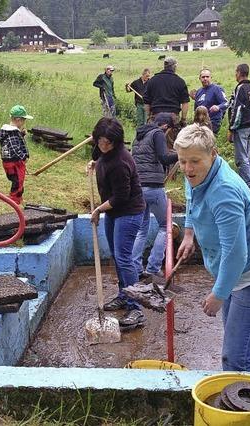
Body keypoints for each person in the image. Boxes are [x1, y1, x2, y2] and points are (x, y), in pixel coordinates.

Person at [174, 124, 250, 372]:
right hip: (240, 276)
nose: (187, 169)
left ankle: (249, 410)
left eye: (194, 161)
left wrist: (219, 294)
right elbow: (192, 199)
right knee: (246, 348)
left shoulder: (224, 192)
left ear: (212, 154)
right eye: (182, 161)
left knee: (236, 359)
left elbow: (236, 254)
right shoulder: (197, 176)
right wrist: (189, 234)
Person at [87, 118, 146, 330]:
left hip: (128, 211)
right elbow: (100, 158)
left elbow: (122, 196)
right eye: (100, 141)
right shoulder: (103, 152)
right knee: (117, 256)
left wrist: (98, 209)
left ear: (116, 142)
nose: (103, 146)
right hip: (113, 212)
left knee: (124, 258)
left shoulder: (121, 161)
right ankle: (124, 294)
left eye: (108, 143)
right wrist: (95, 164)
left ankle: (136, 308)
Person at [131, 113, 178, 279]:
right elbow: (164, 158)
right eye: (169, 130)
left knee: (141, 229)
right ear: (165, 126)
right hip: (154, 187)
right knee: (166, 227)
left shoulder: (138, 137)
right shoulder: (157, 134)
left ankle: (135, 268)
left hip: (137, 189)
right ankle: (152, 267)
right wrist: (182, 155)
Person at [227, 63, 250, 188]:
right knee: (248, 156)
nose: (235, 74)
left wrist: (231, 128)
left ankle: (246, 184)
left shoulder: (240, 88)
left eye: (236, 72)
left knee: (241, 158)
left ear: (240, 73)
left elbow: (237, 109)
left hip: (242, 127)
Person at [0, 105, 33, 205]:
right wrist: (23, 157)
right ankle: (13, 201)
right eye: (23, 120)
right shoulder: (12, 134)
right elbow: (14, 148)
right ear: (18, 120)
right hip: (14, 162)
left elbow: (11, 143)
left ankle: (18, 198)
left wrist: (21, 134)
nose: (24, 123)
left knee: (17, 181)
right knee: (18, 182)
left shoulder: (9, 132)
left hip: (8, 161)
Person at [143, 57, 189, 127]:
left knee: (144, 135)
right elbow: (185, 103)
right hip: (173, 118)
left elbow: (146, 102)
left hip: (155, 117)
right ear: (175, 66)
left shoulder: (152, 80)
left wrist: (149, 117)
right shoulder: (180, 81)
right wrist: (183, 120)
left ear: (164, 66)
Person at [189, 68, 228, 134]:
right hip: (200, 123)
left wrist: (218, 107)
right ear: (200, 78)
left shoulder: (217, 89)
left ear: (211, 77)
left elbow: (226, 103)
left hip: (213, 122)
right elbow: (196, 109)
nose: (205, 79)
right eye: (203, 77)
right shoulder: (199, 91)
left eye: (207, 77)